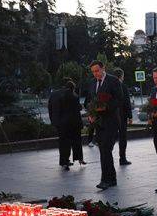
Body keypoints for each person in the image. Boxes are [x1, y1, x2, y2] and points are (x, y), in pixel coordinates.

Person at [86, 61, 123, 190]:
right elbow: (90, 100)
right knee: (103, 150)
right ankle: (111, 179)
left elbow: (119, 99)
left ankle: (105, 179)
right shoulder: (92, 83)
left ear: (103, 68)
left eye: (97, 70)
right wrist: (90, 113)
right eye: (93, 72)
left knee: (106, 150)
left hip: (111, 121)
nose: (95, 74)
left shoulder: (113, 81)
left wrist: (105, 107)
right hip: (98, 122)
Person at [48, 79, 85, 170]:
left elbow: (50, 108)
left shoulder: (53, 94)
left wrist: (53, 120)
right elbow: (76, 109)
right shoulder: (73, 95)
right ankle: (79, 159)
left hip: (59, 123)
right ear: (72, 88)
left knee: (63, 142)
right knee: (76, 141)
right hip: (72, 123)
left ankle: (64, 161)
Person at [113, 68, 133, 166]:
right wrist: (130, 116)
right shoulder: (123, 86)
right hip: (122, 115)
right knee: (122, 137)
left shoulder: (110, 86)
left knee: (111, 137)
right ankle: (122, 158)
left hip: (111, 115)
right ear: (121, 76)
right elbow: (127, 102)